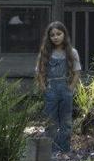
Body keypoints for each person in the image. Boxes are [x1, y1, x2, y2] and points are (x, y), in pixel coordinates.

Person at [35, 21, 81, 153]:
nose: (56, 37)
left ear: (64, 34)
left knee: (66, 122)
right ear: (49, 37)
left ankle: (64, 150)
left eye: (58, 34)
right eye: (52, 35)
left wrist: (71, 88)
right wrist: (44, 87)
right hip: (51, 89)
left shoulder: (72, 52)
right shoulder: (45, 53)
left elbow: (77, 72)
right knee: (51, 122)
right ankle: (52, 152)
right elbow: (39, 71)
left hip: (65, 88)